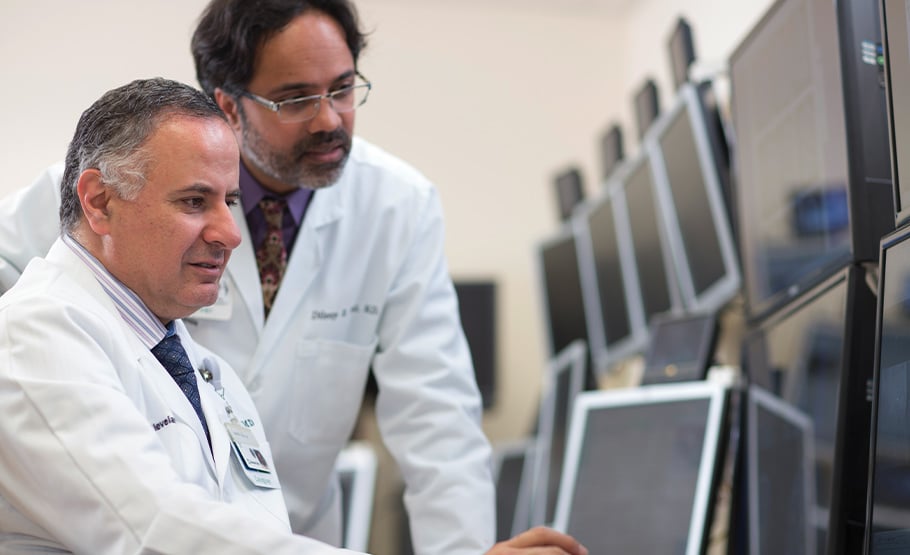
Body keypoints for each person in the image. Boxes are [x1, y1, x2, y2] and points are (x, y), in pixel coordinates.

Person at [0, 77, 588, 555]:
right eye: (194, 201)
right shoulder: (37, 337)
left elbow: (254, 533)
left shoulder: (199, 368)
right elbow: (158, 533)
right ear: (99, 202)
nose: (231, 233)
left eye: (229, 201)